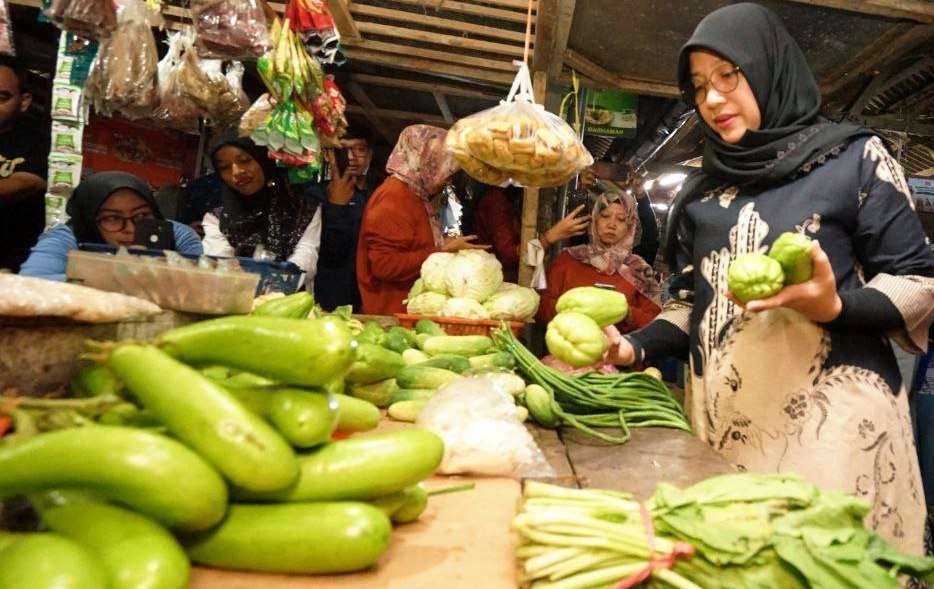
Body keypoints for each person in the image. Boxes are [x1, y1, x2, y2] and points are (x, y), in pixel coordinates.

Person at [606, 3, 934, 554]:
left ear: (766, 67)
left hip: (836, 438)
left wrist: (837, 308)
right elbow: (690, 305)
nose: (711, 98)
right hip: (730, 428)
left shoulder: (853, 160)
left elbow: (920, 283)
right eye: (699, 86)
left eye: (727, 76)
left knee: (832, 565)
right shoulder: (702, 191)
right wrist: (634, 348)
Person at [356, 125, 486, 315]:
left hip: (403, 311)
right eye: (445, 170)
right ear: (426, 161)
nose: (448, 180)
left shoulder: (415, 195)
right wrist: (441, 250)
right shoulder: (394, 198)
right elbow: (384, 266)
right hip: (387, 313)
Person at [19, 171, 202, 281]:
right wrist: (118, 271)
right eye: (112, 218)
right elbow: (32, 282)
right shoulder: (67, 236)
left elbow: (200, 283)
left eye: (141, 215)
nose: (131, 228)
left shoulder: (177, 234)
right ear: (89, 219)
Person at [202, 136, 322, 288]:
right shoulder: (217, 219)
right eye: (224, 167)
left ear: (264, 160)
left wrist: (272, 290)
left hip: (287, 305)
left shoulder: (305, 210)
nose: (236, 171)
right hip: (233, 303)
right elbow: (220, 266)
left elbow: (305, 259)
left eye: (245, 160)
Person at [538, 190, 661, 333]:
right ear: (595, 220)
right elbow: (542, 307)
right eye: (605, 216)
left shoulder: (639, 270)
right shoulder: (569, 258)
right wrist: (577, 312)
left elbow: (656, 322)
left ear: (630, 226)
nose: (612, 225)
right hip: (568, 346)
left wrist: (626, 313)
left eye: (621, 219)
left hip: (619, 350)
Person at [313, 125, 379, 311]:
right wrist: (336, 207)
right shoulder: (315, 196)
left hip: (367, 296)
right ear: (328, 155)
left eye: (359, 149)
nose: (351, 157)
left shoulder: (378, 197)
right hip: (327, 296)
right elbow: (327, 253)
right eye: (342, 150)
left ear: (369, 156)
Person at [472, 184, 591, 282]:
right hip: (498, 282)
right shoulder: (495, 200)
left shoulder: (511, 197)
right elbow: (514, 256)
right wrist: (550, 237)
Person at [0, 57, 50, 273]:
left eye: (1, 98)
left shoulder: (38, 143)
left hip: (10, 271)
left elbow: (25, 184)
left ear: (24, 101)